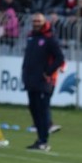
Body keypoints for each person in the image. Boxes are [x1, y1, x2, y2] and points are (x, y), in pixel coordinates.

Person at [21, 12, 65, 152]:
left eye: (38, 21)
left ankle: (44, 141)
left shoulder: (50, 38)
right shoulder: (31, 37)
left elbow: (60, 58)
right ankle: (40, 139)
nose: (36, 23)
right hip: (31, 80)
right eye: (34, 21)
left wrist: (48, 72)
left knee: (42, 110)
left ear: (44, 22)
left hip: (44, 81)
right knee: (34, 111)